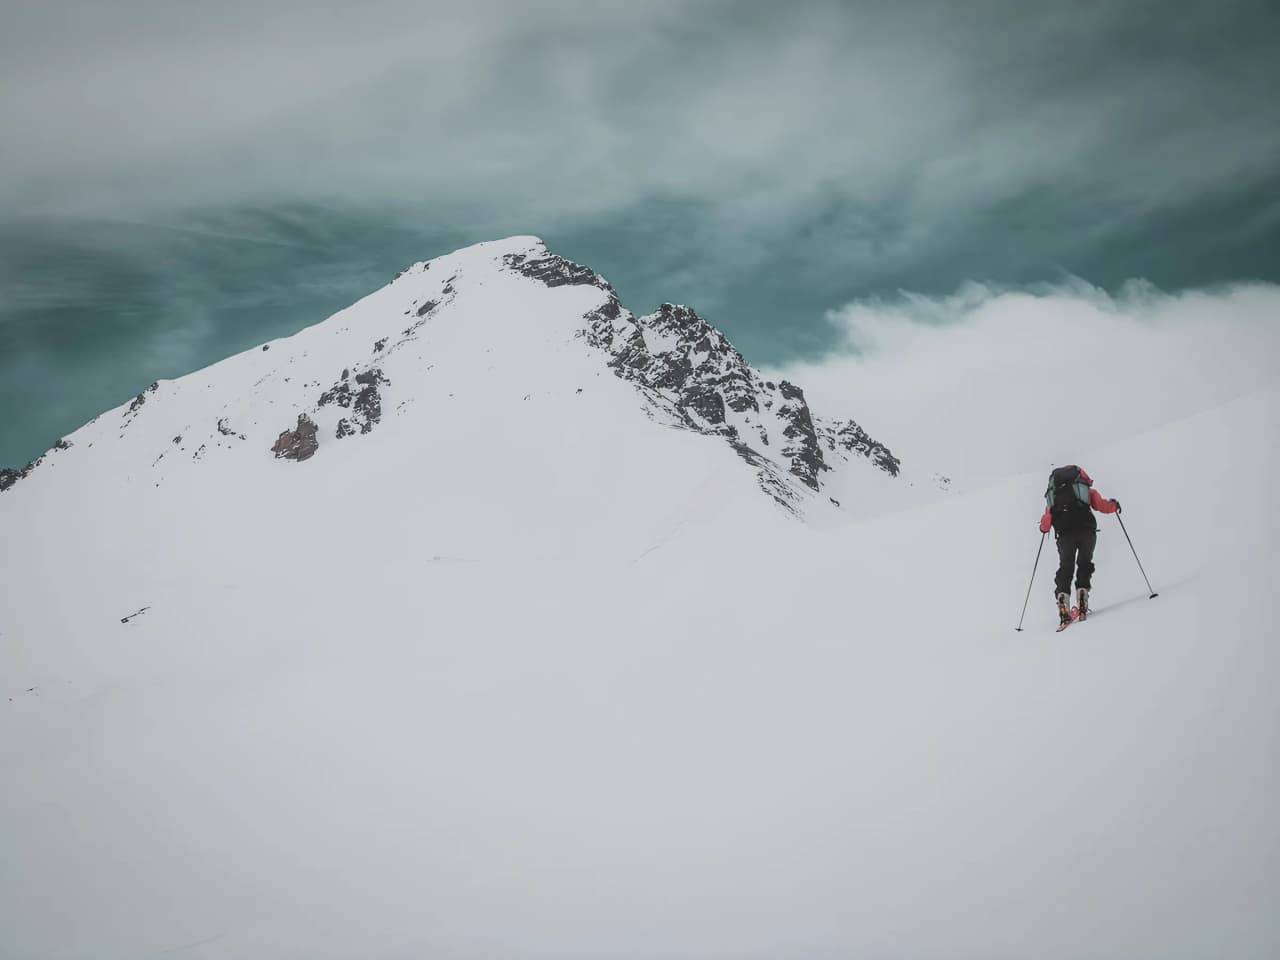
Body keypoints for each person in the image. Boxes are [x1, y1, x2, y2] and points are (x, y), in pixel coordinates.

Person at [1039, 465, 1120, 625]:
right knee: (1084, 564)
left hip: (1065, 537)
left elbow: (1046, 524)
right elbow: (1101, 506)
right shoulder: (1085, 492)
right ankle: (1082, 596)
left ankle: (1063, 600)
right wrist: (1115, 505)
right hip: (1087, 532)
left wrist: (1042, 528)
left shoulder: (1054, 498)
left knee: (1066, 568)